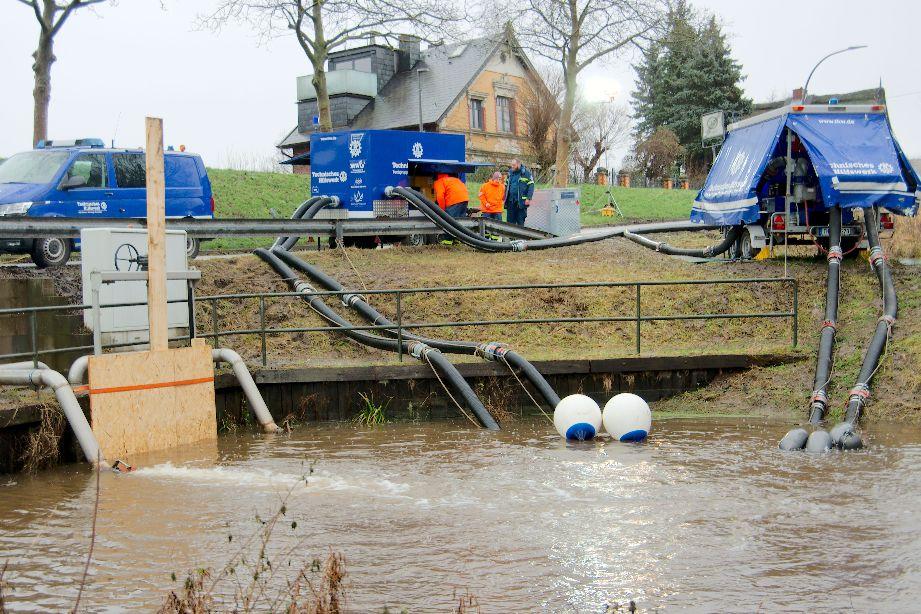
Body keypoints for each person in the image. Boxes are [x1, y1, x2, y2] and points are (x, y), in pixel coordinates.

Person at [504, 158, 534, 226]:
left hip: (521, 202)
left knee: (520, 221)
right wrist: (504, 197)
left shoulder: (527, 174)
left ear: (519, 164)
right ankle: (510, 236)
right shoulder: (510, 174)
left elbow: (531, 187)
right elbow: (506, 186)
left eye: (514, 165)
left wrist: (528, 198)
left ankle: (519, 236)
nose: (512, 167)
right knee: (510, 222)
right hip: (510, 202)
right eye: (511, 165)